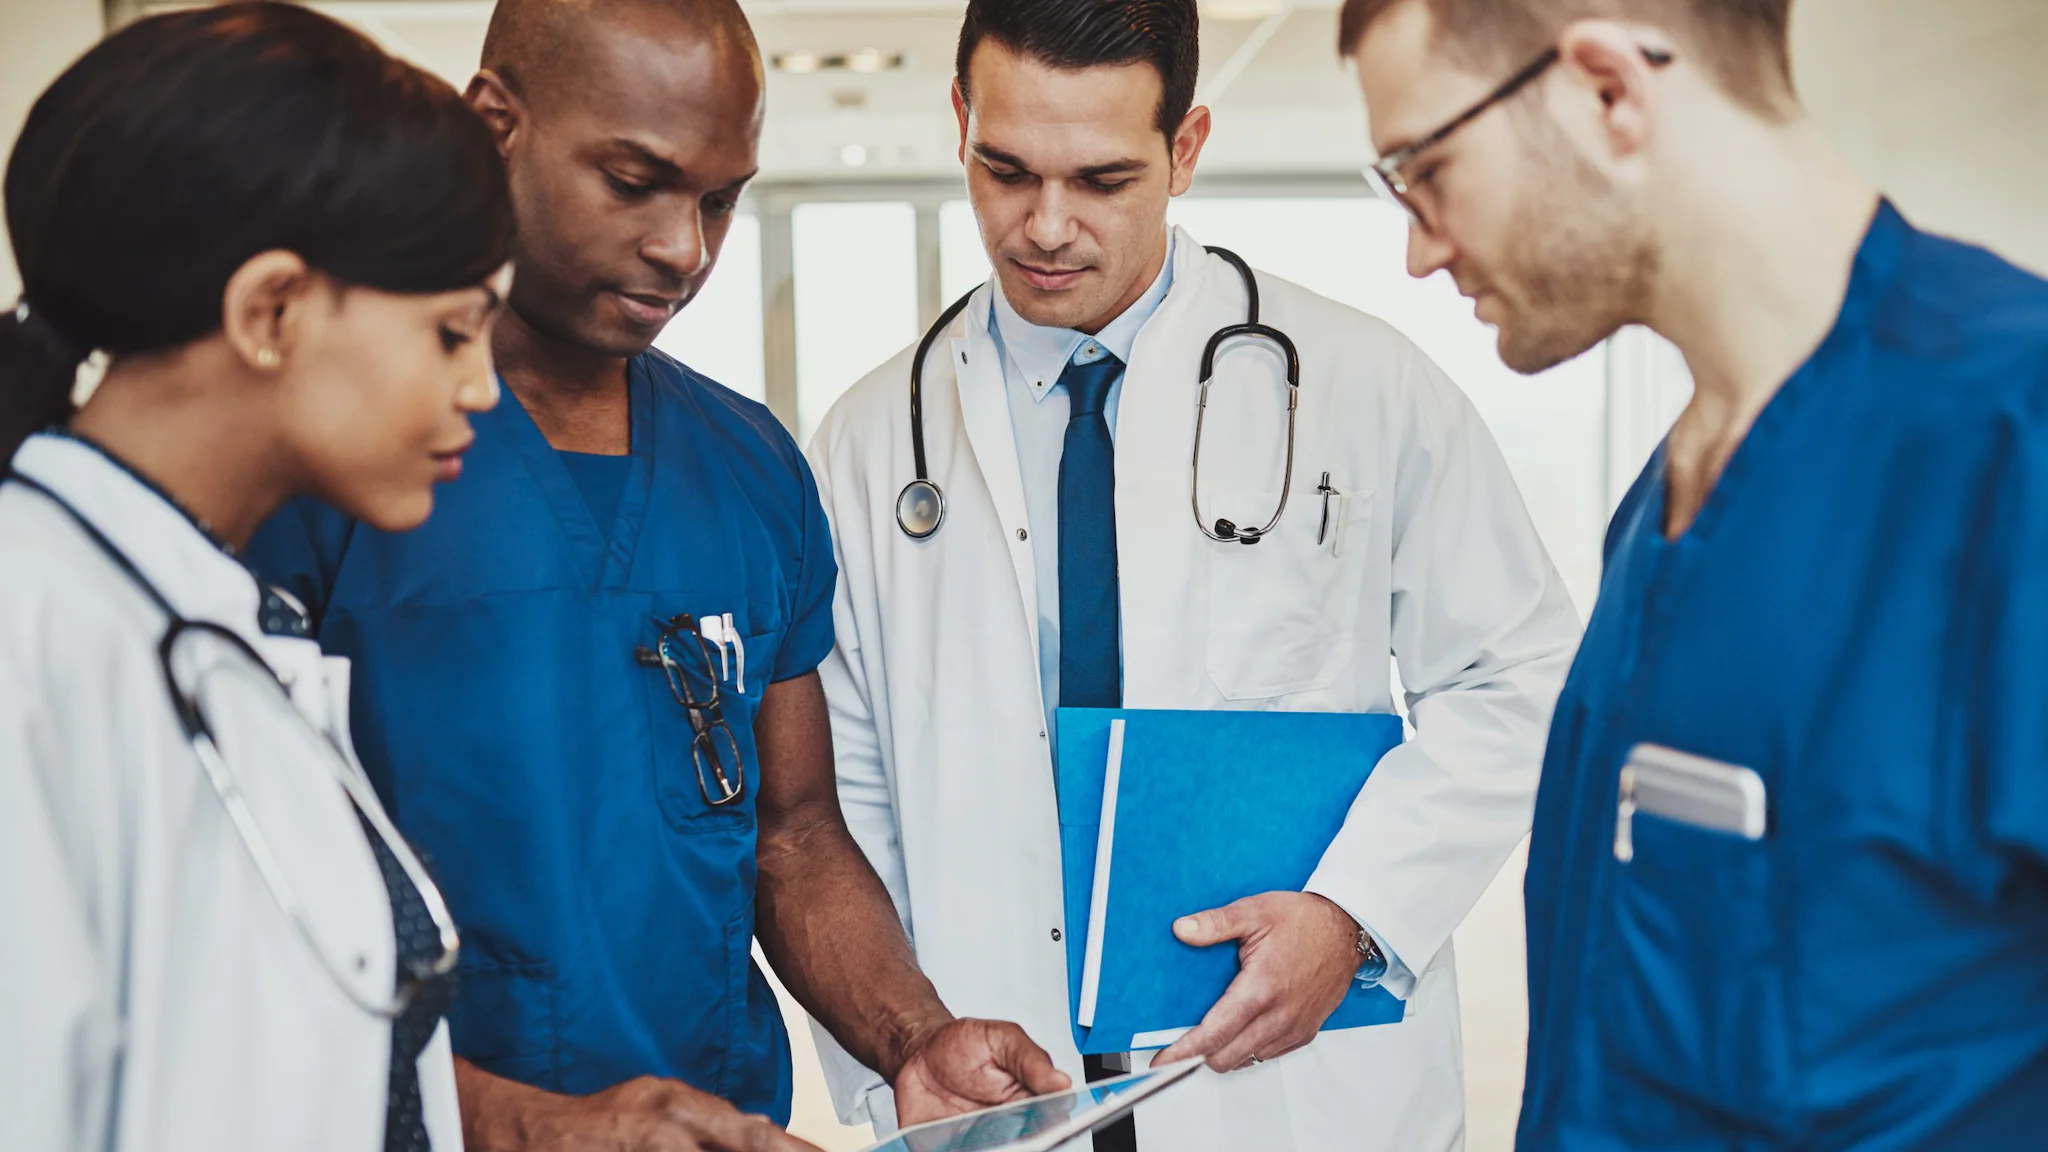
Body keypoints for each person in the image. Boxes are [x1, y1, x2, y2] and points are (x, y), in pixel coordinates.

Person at [244, 2, 1067, 1149]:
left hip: (715, 1125)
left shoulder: (749, 466)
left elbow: (793, 831)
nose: (684, 247)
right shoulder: (324, 465)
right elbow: (238, 916)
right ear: (496, 126)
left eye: (721, 199)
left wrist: (910, 1035)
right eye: (634, 180)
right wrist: (539, 1127)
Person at [804, 2, 1583, 1149]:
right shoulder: (873, 443)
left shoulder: (1362, 385)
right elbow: (841, 799)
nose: (1045, 226)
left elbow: (1520, 674)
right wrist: (900, 1050)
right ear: (959, 121)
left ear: (1185, 150)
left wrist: (1356, 915)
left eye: (1103, 179)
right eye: (1004, 169)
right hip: (1006, 1085)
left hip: (1296, 1090)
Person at [1339, 0, 2048, 1146]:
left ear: (1607, 89)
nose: (1417, 246)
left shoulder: (2009, 445)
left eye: (1421, 168)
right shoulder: (1661, 507)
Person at [0, 5, 515, 1150]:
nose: (482, 387)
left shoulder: (214, 623)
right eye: (451, 333)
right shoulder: (32, 632)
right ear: (271, 312)